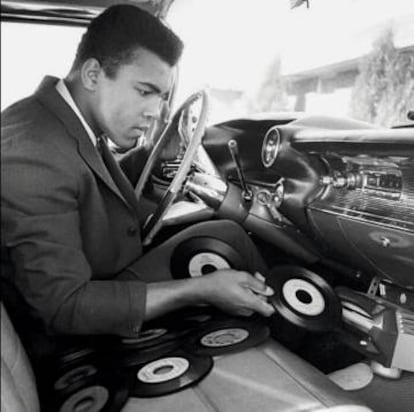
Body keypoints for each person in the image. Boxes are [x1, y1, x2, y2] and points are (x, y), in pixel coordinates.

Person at [1, 4, 274, 364]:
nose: (155, 112)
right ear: (94, 74)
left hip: (106, 268)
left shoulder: (62, 120)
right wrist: (199, 290)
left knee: (218, 233)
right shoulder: (33, 151)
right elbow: (63, 308)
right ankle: (304, 347)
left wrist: (149, 157)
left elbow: (90, 175)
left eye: (161, 97)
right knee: (228, 237)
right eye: (144, 91)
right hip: (69, 333)